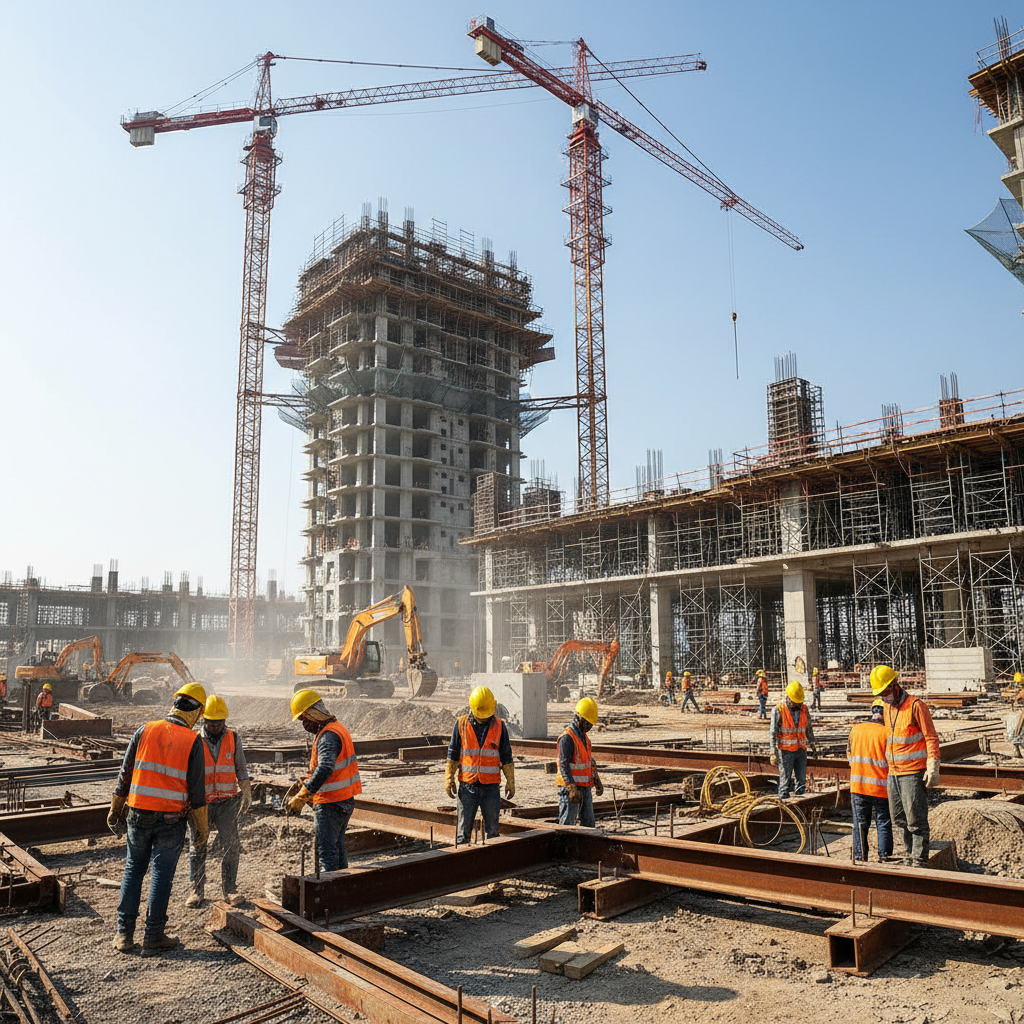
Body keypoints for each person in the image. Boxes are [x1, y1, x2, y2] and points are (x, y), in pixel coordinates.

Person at [107, 681, 209, 956]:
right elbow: (197, 792)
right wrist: (202, 829)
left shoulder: (145, 730)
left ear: (175, 704)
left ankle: (124, 935)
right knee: (162, 875)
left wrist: (116, 808)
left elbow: (125, 774)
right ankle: (153, 936)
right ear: (197, 712)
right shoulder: (193, 741)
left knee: (133, 870)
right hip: (171, 820)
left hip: (138, 814)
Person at [870, 664, 941, 868]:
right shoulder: (887, 708)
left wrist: (933, 765)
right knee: (900, 818)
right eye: (880, 694)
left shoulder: (916, 706)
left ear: (894, 685)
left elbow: (931, 737)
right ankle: (910, 854)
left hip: (912, 772)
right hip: (893, 772)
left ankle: (919, 859)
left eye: (884, 692)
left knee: (915, 819)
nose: (883, 697)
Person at [185, 695, 252, 909]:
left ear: (224, 720)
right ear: (204, 720)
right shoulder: (193, 739)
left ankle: (230, 889)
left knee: (231, 846)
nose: (215, 726)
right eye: (211, 722)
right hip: (201, 803)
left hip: (227, 802)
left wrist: (247, 792)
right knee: (198, 846)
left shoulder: (233, 737)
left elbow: (240, 767)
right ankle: (197, 890)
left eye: (219, 722)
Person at [285, 689, 362, 871]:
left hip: (330, 803)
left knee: (327, 853)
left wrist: (304, 795)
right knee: (337, 847)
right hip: (344, 800)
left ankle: (331, 893)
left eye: (304, 719)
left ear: (312, 713)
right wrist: (308, 779)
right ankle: (342, 887)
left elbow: (326, 767)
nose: (304, 724)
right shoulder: (337, 728)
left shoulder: (328, 736)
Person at [445, 686, 514, 843]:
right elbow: (453, 754)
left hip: (491, 788)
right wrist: (449, 778)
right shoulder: (461, 724)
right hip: (467, 787)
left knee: (493, 834)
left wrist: (511, 781)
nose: (484, 719)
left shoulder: (500, 726)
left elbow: (506, 756)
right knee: (463, 835)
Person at [847, 699, 893, 862]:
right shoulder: (888, 733)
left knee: (860, 824)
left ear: (872, 710)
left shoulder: (856, 729)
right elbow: (892, 761)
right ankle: (885, 856)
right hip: (882, 788)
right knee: (883, 823)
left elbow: (850, 756)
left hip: (858, 786)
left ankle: (859, 857)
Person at [556, 697, 605, 826]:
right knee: (567, 824)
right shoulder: (567, 738)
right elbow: (564, 765)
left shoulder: (584, 738)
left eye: (591, 724)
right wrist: (572, 788)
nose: (589, 727)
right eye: (587, 723)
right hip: (570, 788)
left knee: (589, 824)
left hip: (585, 787)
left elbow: (588, 762)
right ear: (579, 718)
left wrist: (596, 780)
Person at [769, 681, 818, 798]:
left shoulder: (804, 709)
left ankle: (800, 805)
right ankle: (784, 804)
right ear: (789, 698)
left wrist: (813, 745)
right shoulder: (778, 710)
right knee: (785, 782)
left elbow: (808, 729)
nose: (798, 704)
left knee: (801, 782)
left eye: (799, 702)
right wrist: (772, 751)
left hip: (801, 750)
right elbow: (773, 732)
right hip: (785, 752)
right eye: (796, 702)